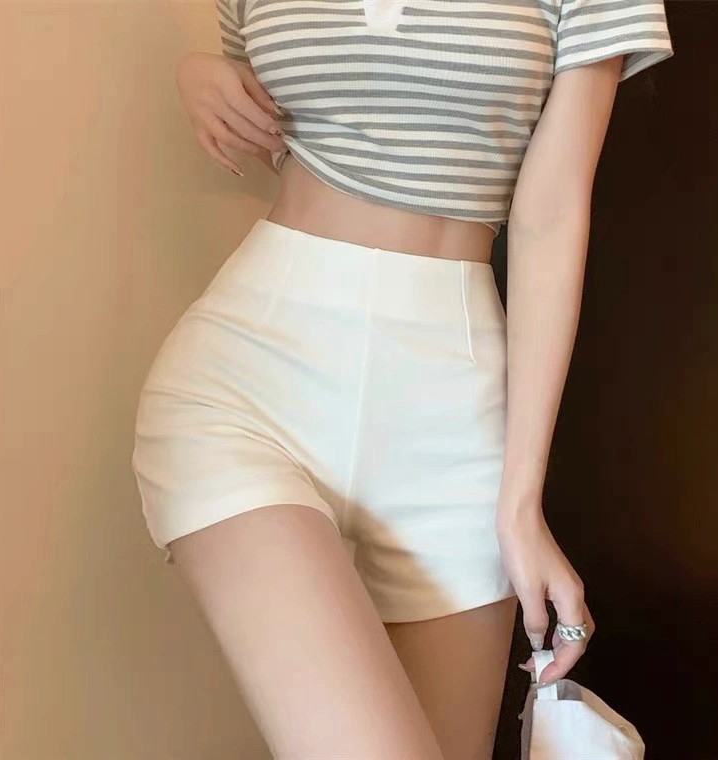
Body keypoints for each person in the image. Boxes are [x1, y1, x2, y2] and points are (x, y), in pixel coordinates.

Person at [131, 1, 674, 757]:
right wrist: (201, 74)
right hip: (249, 389)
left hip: (456, 417)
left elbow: (550, 214)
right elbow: (282, 116)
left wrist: (520, 500)